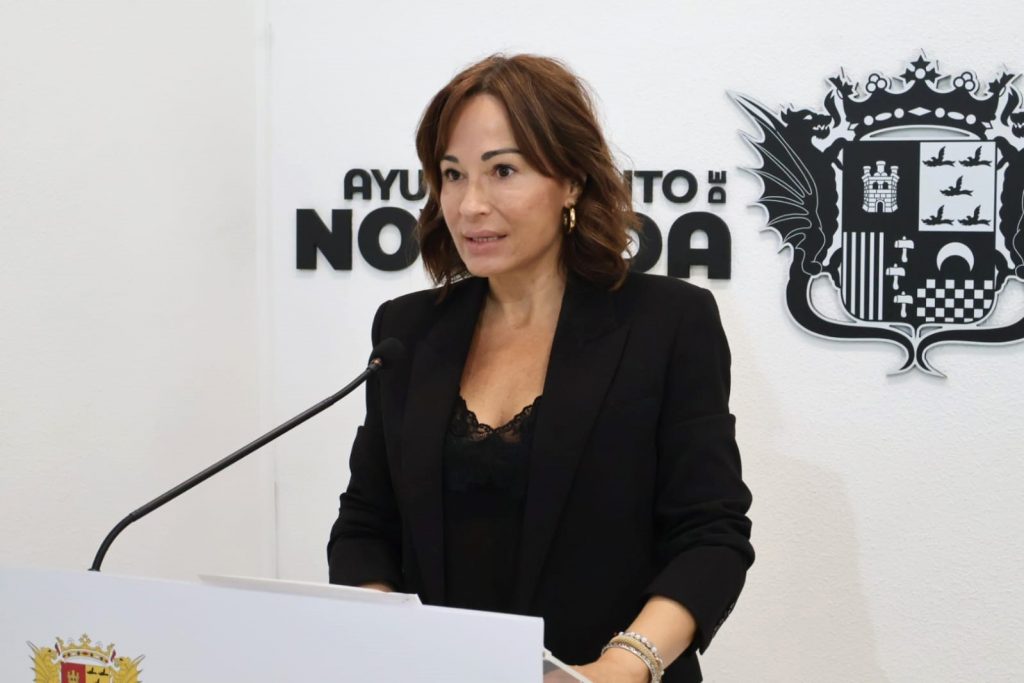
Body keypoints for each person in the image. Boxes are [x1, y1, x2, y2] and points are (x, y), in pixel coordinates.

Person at [327, 54, 753, 683]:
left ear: (572, 181)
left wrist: (621, 666)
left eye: (503, 171)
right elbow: (366, 524)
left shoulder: (667, 322)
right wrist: (389, 636)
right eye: (452, 174)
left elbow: (711, 536)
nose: (470, 204)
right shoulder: (407, 331)